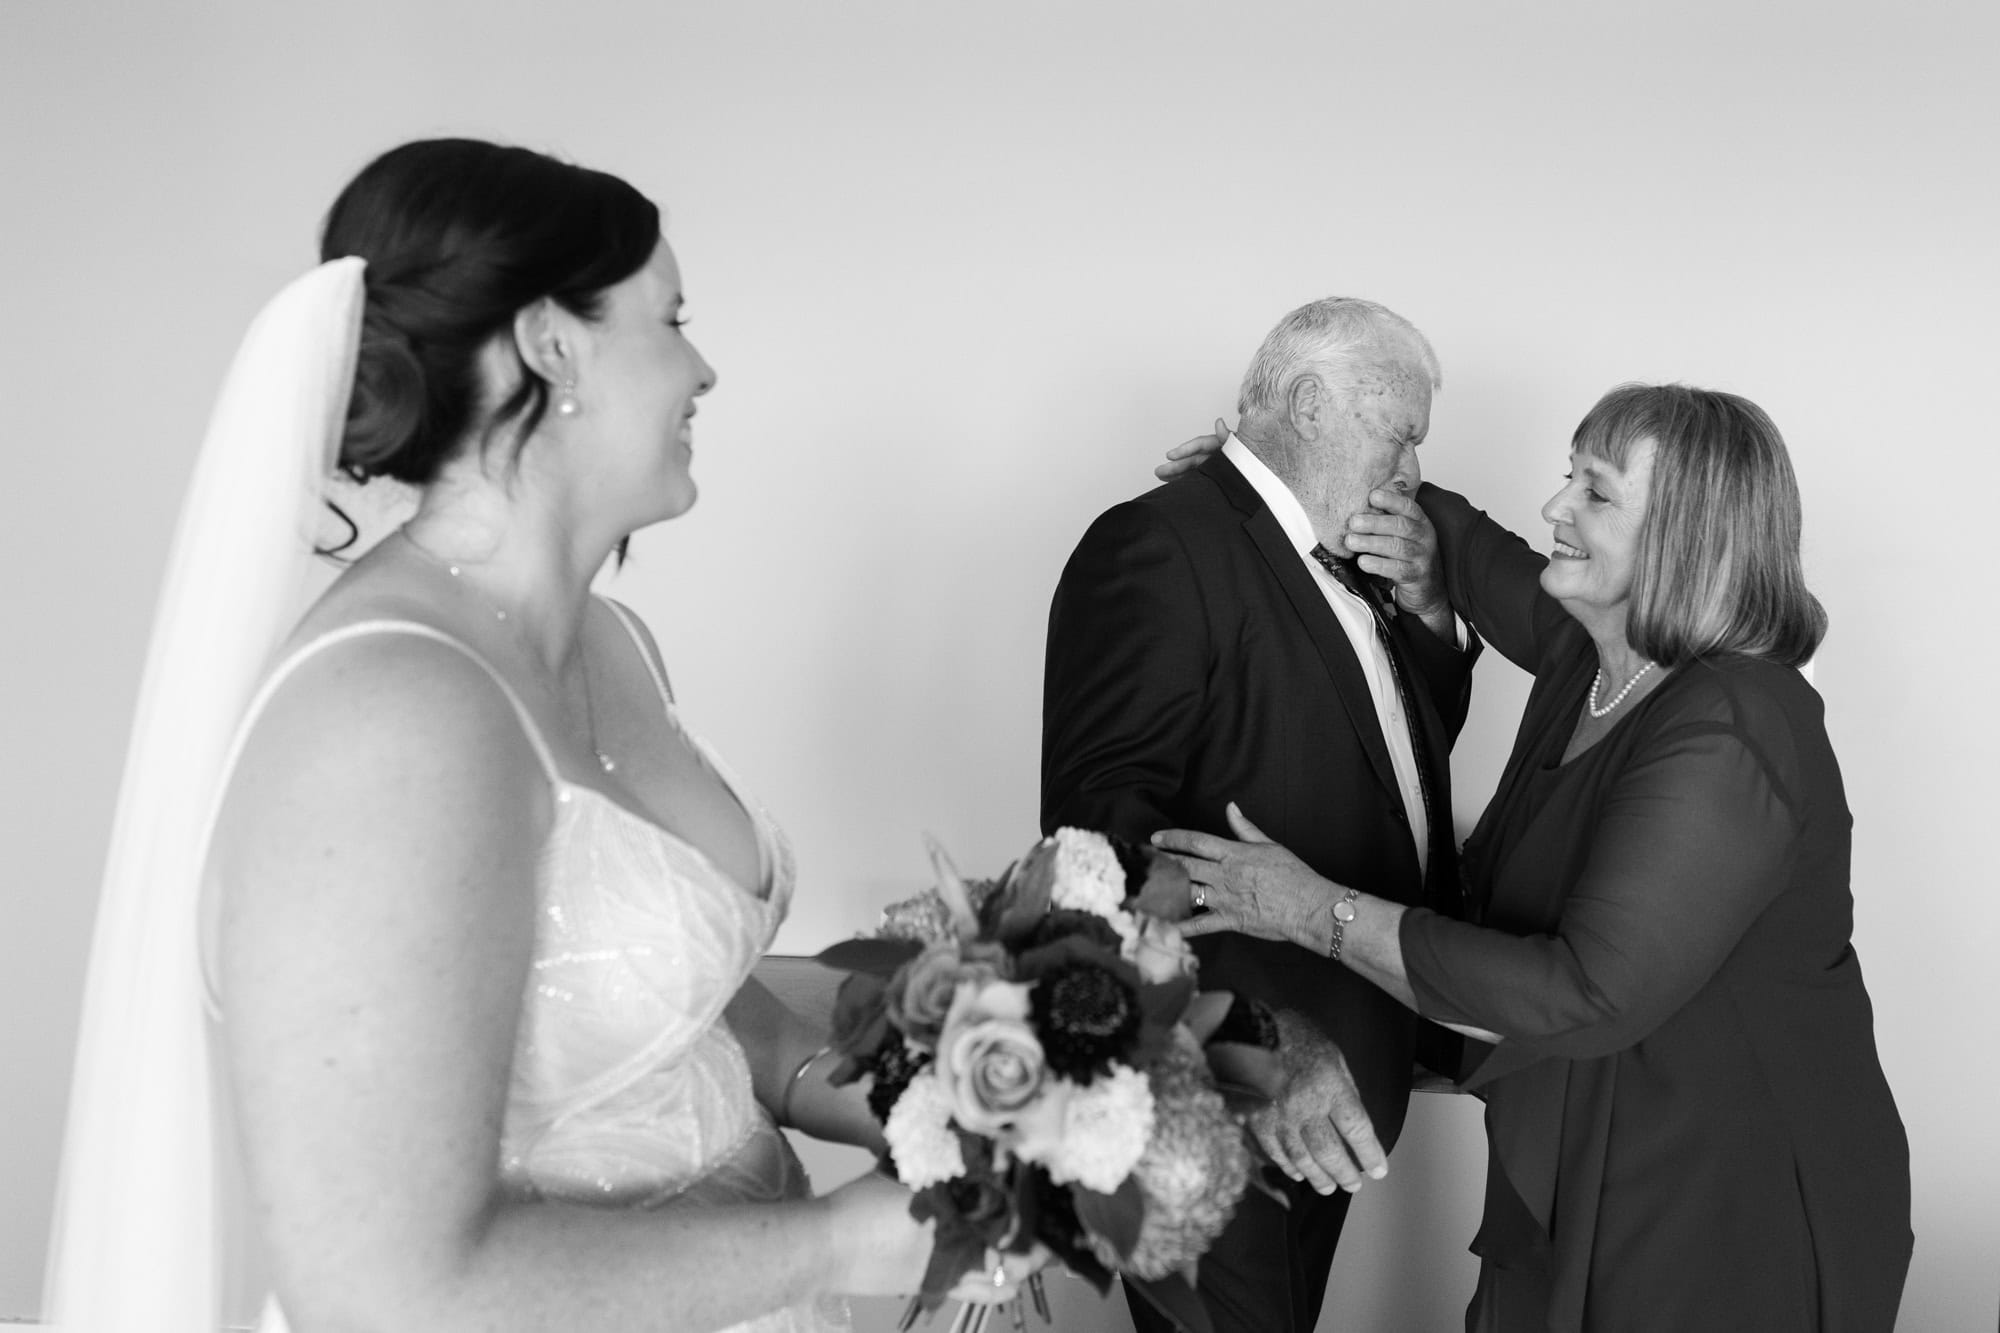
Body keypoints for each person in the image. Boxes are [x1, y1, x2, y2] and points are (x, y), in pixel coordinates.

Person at [43, 138, 1035, 1333]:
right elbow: (385, 1290)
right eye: (671, 318)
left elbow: (680, 1006)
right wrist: (837, 1243)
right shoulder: (391, 719)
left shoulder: (616, 644)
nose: (702, 366)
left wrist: (929, 1106)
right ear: (549, 344)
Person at [1156, 384, 1912, 1331]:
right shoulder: (1593, 655)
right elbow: (1472, 554)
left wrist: (1316, 909)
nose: (1556, 508)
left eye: (1594, 493)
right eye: (1569, 477)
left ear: (1686, 535)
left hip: (1724, 1197)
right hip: (1585, 1168)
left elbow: (1584, 990)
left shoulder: (1732, 725)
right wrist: (1266, 468)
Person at [1040, 297, 1479, 1333]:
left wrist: (1420, 611)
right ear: (1311, 403)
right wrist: (1258, 1039)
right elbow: (1095, 844)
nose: (1413, 467)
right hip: (1232, 1081)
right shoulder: (1158, 546)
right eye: (1401, 431)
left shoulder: (1339, 556)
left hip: (1334, 1070)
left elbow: (1399, 758)